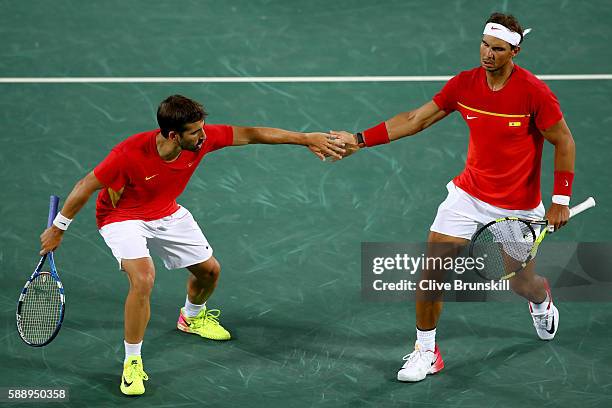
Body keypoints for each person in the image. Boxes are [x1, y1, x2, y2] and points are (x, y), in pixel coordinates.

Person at [39, 94, 346, 396]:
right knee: (143, 278)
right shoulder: (127, 154)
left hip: (166, 211)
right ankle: (132, 360)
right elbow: (85, 186)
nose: (203, 136)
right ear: (173, 135)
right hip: (122, 218)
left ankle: (191, 317)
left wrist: (305, 138)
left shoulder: (203, 138)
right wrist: (59, 228)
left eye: (202, 128)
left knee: (209, 272)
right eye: (195, 132)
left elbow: (252, 134)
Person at [331, 12, 576, 382]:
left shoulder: (534, 93)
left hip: (517, 207)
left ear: (514, 52)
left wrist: (561, 198)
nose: (488, 54)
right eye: (484, 45)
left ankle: (541, 301)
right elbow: (416, 119)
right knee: (431, 273)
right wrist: (360, 140)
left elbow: (564, 140)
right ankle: (425, 351)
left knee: (521, 283)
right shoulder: (465, 84)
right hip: (468, 195)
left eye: (497, 49)